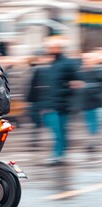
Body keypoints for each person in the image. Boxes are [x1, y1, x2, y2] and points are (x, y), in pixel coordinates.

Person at [43, 36, 82, 165]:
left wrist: (66, 92)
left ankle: (58, 155)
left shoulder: (68, 63)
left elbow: (78, 82)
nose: (50, 49)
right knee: (57, 131)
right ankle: (59, 154)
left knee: (60, 131)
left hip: (62, 105)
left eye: (52, 47)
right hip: (52, 104)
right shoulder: (52, 64)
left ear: (58, 48)